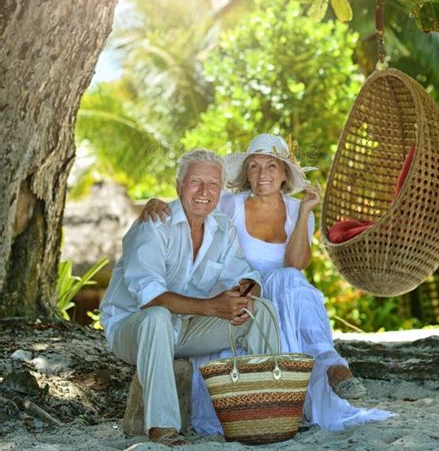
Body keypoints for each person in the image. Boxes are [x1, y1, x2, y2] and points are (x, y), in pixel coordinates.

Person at [140, 134, 393, 433]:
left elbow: (296, 263)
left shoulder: (299, 209)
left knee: (290, 279)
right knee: (287, 282)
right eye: (255, 166)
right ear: (246, 172)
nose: (263, 175)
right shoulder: (231, 204)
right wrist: (155, 204)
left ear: (285, 173)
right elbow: (193, 200)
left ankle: (330, 365)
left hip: (287, 297)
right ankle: (327, 365)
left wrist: (305, 213)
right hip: (241, 291)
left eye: (272, 166)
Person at [100, 148, 279, 446]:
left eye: (212, 184)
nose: (204, 191)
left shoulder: (222, 227)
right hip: (133, 329)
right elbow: (150, 297)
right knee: (157, 317)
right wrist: (211, 307)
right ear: (179, 186)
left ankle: (269, 412)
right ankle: (163, 427)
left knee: (260, 309)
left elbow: (246, 275)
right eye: (196, 182)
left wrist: (244, 293)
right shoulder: (154, 225)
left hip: (185, 328)